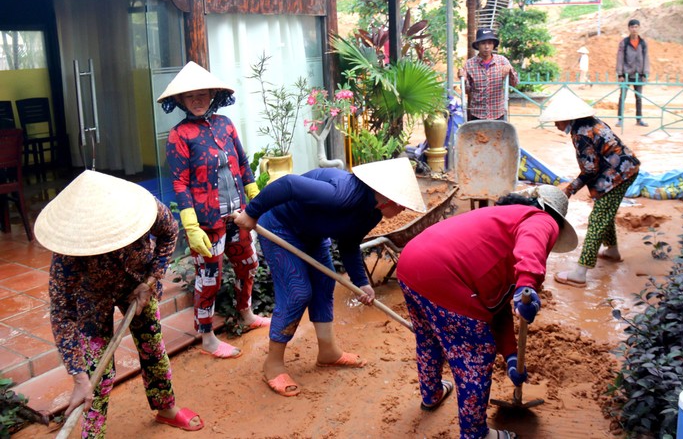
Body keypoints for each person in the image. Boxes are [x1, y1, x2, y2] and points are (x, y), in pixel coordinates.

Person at [233, 157, 426, 397]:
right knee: (297, 293)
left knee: (325, 285)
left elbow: (349, 242)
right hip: (280, 226)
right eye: (402, 204)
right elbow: (289, 184)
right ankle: (273, 364)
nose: (404, 209)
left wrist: (362, 283)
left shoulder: (372, 213)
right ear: (387, 197)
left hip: (313, 233)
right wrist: (251, 214)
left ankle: (328, 352)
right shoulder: (341, 193)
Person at [396, 185, 577, 439]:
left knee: (428, 338)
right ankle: (475, 433)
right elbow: (532, 245)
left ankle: (431, 394)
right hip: (445, 274)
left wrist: (512, 355)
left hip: (411, 263)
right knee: (476, 354)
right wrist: (528, 284)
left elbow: (495, 307)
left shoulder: (503, 225)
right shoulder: (541, 219)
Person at [35, 170, 204, 437]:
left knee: (153, 349)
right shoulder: (67, 254)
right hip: (92, 299)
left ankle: (166, 407)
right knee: (95, 376)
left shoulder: (145, 209)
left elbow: (169, 234)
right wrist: (78, 376)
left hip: (139, 286)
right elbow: (61, 311)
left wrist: (150, 280)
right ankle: (93, 434)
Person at [158, 61, 269, 359]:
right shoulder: (179, 135)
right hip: (207, 222)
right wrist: (191, 227)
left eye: (202, 94)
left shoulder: (225, 124)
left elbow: (243, 165)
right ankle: (207, 337)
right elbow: (179, 183)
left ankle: (246, 313)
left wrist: (256, 201)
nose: (197, 101)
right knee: (209, 279)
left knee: (248, 265)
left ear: (212, 95)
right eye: (190, 96)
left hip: (239, 216)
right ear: (180, 101)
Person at [539, 90, 640, 288]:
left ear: (567, 117)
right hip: (621, 168)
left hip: (619, 174)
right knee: (604, 211)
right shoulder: (590, 122)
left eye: (557, 120)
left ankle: (580, 272)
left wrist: (570, 189)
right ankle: (612, 251)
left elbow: (590, 169)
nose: (556, 124)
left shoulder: (581, 134)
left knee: (597, 219)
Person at [464, 29, 519, 121]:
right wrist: (463, 78)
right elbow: (467, 90)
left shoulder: (502, 61)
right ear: (478, 45)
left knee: (498, 135)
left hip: (497, 113)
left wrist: (510, 70)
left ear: (493, 45)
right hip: (477, 114)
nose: (486, 47)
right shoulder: (469, 64)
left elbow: (514, 83)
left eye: (489, 43)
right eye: (483, 43)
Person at [616, 19, 650, 127]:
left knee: (639, 97)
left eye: (636, 27)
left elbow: (646, 58)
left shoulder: (643, 43)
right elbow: (620, 58)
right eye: (632, 27)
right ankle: (620, 119)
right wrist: (620, 74)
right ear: (629, 28)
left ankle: (639, 120)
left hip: (638, 74)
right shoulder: (624, 42)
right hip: (626, 74)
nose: (634, 29)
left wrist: (645, 73)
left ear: (639, 28)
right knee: (622, 97)